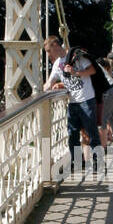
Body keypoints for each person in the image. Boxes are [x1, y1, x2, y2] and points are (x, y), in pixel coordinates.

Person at [43, 34, 102, 170]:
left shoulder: (77, 56)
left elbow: (92, 70)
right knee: (72, 134)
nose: (48, 55)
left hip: (87, 100)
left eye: (49, 51)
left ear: (56, 45)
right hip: (73, 102)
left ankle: (97, 162)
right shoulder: (57, 65)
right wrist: (39, 94)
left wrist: (75, 72)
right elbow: (49, 83)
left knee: (91, 133)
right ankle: (77, 162)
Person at [98, 58, 113, 154]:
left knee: (102, 120)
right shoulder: (110, 73)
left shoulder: (98, 71)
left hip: (108, 93)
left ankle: (103, 147)